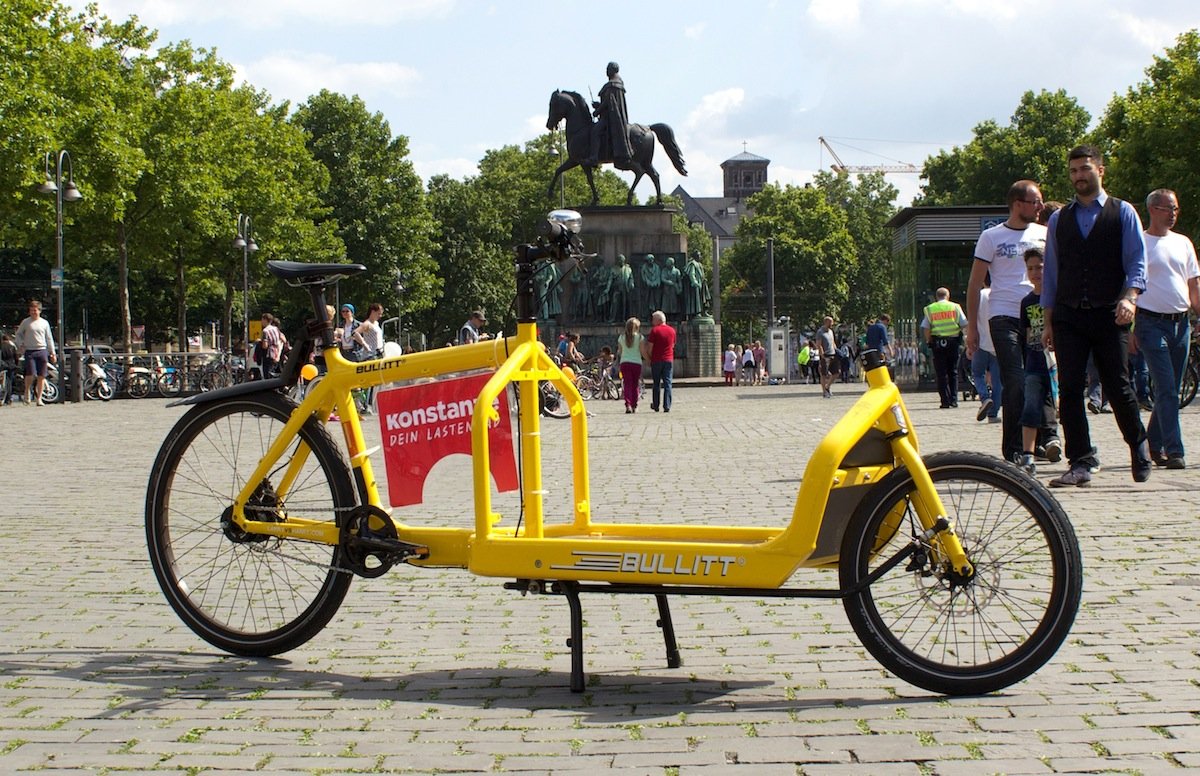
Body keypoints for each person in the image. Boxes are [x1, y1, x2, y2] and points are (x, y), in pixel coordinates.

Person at [1042, 144, 1150, 487]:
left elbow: (1136, 261)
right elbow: (1052, 275)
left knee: (1117, 385)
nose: (1079, 177)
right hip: (1070, 314)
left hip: (1110, 313)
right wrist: (1048, 320)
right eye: (1073, 171)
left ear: (1100, 171)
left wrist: (1130, 297)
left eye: (1085, 170)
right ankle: (1081, 461)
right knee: (1070, 389)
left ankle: (1138, 444)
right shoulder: (1060, 219)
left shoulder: (1123, 213)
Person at [967, 180, 1045, 456]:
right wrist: (972, 330)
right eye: (1035, 201)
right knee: (1014, 380)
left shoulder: (1044, 234)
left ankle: (1041, 440)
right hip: (1003, 315)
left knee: (1038, 379)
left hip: (1036, 315)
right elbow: (975, 283)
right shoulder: (992, 237)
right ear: (1017, 204)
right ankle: (1013, 448)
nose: (1040, 206)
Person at [1135, 188, 1200, 469]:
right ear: (1152, 209)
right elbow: (1130, 287)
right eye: (1167, 208)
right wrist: (1130, 329)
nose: (1172, 214)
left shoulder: (1183, 242)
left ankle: (1152, 442)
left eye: (1175, 209)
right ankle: (1175, 450)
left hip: (1180, 323)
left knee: (1170, 389)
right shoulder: (1140, 243)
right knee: (1167, 389)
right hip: (1150, 323)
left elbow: (1193, 284)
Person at [1016, 248, 1054, 475]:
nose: (1035, 272)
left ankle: (1061, 443)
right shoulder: (1026, 302)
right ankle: (1028, 454)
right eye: (1030, 268)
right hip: (1034, 360)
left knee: (1062, 405)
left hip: (1056, 362)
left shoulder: (1056, 297)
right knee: (1030, 404)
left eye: (1039, 267)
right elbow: (1026, 333)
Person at [921, 288, 968, 409]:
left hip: (937, 343)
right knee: (953, 372)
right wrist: (966, 340)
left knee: (941, 373)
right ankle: (953, 400)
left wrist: (929, 340)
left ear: (937, 297)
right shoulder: (955, 307)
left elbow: (926, 328)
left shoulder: (930, 309)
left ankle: (944, 401)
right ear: (948, 296)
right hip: (953, 342)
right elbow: (964, 324)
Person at [587, 61, 632, 167]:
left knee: (595, 131)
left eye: (607, 70)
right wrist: (598, 105)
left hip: (610, 119)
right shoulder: (618, 83)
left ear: (612, 70)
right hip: (615, 116)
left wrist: (597, 111)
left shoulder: (611, 85)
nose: (606, 72)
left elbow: (608, 102)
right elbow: (611, 103)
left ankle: (594, 157)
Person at [969, 277, 1001, 424]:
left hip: (981, 342)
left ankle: (984, 397)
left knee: (977, 373)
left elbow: (973, 317)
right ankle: (993, 414)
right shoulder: (1000, 293)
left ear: (983, 281)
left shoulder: (980, 295)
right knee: (997, 380)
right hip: (998, 342)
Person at [16, 300, 57, 405]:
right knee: (30, 374)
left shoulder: (44, 323)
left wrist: (52, 352)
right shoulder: (25, 322)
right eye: (31, 310)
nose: (33, 312)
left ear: (39, 311)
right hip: (30, 350)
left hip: (42, 350)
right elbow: (19, 334)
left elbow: (49, 338)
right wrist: (20, 345)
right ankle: (27, 392)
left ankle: (39, 398)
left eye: (35, 310)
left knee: (41, 375)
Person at [352, 302, 385, 415]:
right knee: (369, 381)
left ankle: (368, 403)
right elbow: (355, 333)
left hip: (378, 353)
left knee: (375, 381)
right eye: (378, 313)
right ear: (373, 312)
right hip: (370, 354)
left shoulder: (375, 323)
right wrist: (364, 344)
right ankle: (365, 404)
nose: (380, 316)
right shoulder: (367, 324)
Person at [642, 310, 676, 412]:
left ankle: (656, 405)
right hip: (668, 359)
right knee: (668, 383)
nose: (652, 322)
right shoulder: (672, 331)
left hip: (657, 360)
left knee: (656, 383)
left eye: (653, 319)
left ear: (658, 320)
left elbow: (650, 347)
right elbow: (673, 345)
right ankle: (667, 405)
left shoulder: (655, 330)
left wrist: (649, 358)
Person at [616, 317, 644, 412]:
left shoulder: (621, 337)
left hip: (625, 362)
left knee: (627, 384)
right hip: (636, 363)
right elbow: (642, 351)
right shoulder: (640, 337)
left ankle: (627, 404)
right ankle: (634, 405)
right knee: (635, 385)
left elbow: (619, 351)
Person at [815, 316, 839, 398]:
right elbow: (819, 345)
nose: (832, 324)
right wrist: (822, 356)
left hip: (833, 354)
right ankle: (824, 392)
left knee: (836, 372)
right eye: (831, 322)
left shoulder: (831, 331)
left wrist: (836, 351)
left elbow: (833, 342)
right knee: (824, 374)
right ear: (826, 322)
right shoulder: (820, 332)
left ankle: (827, 386)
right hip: (825, 355)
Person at [258, 313, 287, 378]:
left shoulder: (265, 331)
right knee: (275, 373)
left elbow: (265, 346)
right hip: (277, 354)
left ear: (265, 320)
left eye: (262, 320)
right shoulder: (276, 329)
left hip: (269, 354)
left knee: (268, 374)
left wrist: (260, 342)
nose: (261, 321)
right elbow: (284, 340)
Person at [0, 333, 17, 406]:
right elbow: (16, 357)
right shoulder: (12, 347)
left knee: (2, 382)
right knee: (9, 382)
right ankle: (8, 398)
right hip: (11, 365)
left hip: (2, 365)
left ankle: (1, 397)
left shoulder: (1, 347)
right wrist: (16, 364)